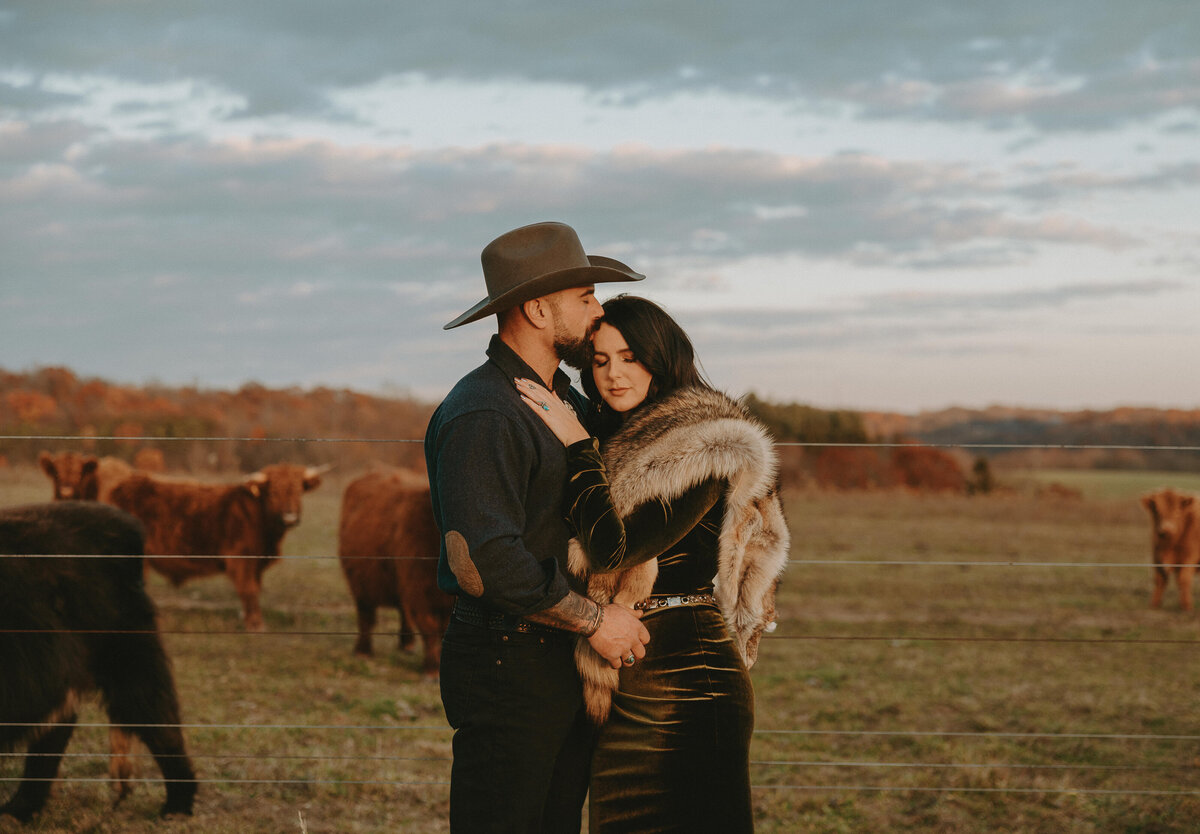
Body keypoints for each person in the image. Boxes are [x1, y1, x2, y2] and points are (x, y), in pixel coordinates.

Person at [515, 295, 789, 833]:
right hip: (624, 676)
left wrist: (576, 445)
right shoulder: (616, 435)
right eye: (600, 360)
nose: (614, 374)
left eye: (630, 357)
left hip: (690, 677)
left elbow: (613, 550)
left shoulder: (702, 443)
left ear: (660, 357)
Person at [424, 221, 652, 834]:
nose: (597, 309)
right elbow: (486, 560)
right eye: (584, 298)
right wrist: (598, 620)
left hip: (555, 663)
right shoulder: (485, 412)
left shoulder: (566, 402)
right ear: (537, 308)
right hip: (507, 666)